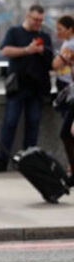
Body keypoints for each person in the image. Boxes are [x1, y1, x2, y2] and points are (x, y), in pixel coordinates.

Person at [0, 4, 52, 172]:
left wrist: (43, 51)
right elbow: (5, 51)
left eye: (41, 20)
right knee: (10, 123)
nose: (38, 23)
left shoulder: (45, 36)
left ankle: (29, 164)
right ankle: (2, 162)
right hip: (17, 87)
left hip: (36, 88)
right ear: (27, 16)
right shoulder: (14, 32)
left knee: (33, 126)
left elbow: (51, 59)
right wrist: (27, 50)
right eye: (36, 19)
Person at [51, 15, 74, 178]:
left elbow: (56, 65)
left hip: (70, 92)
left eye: (60, 29)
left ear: (70, 29)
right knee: (67, 132)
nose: (57, 32)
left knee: (67, 132)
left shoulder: (70, 44)